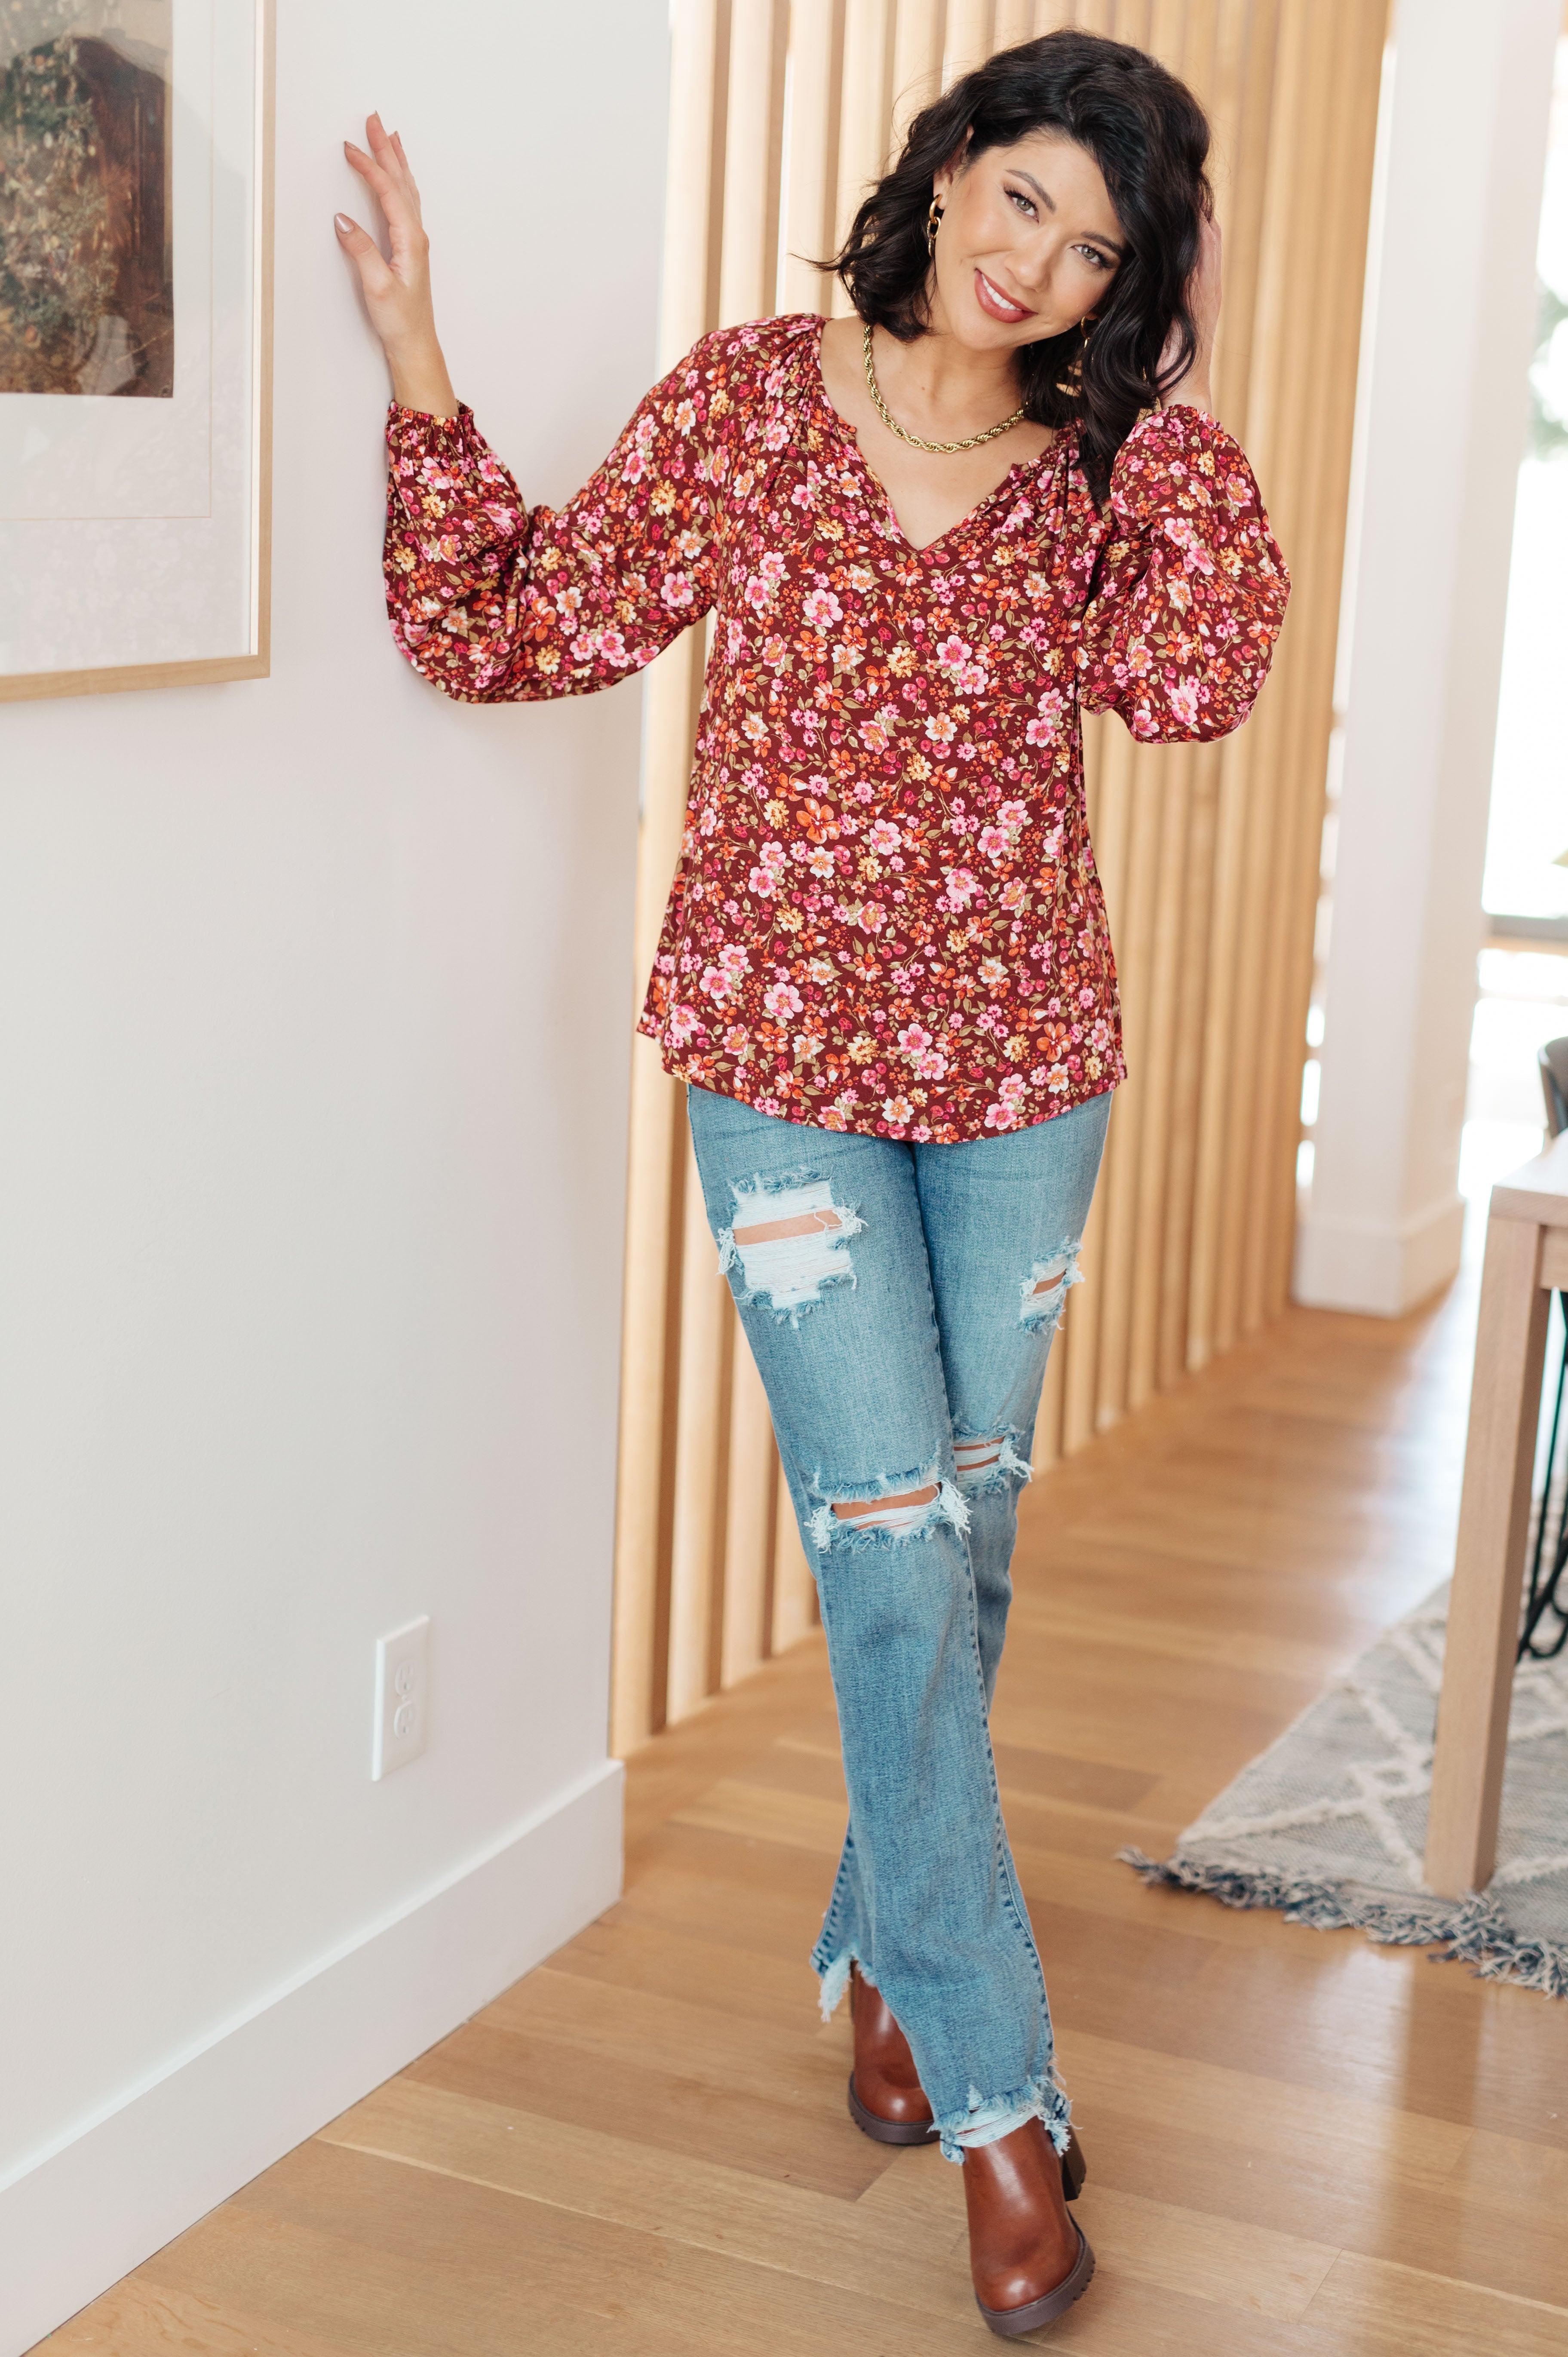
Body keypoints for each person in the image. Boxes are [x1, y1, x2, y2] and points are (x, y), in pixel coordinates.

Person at [336, 28, 1287, 2338]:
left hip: (1027, 1067)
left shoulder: (1096, 476)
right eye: (1022, 197)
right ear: (951, 160)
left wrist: (1152, 403)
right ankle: (995, 2108)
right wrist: (427, 372)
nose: (1035, 262)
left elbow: (1206, 679)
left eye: (1096, 251)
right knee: (881, 1560)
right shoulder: (753, 403)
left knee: (963, 1540)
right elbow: (513, 626)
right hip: (779, 1073)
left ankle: (886, 1956)